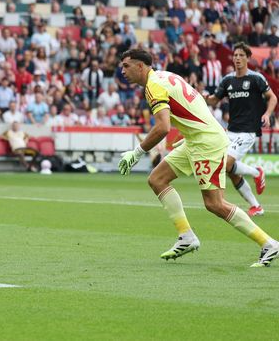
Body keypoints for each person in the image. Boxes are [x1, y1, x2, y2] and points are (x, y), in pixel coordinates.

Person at [117, 49, 278, 267]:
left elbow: (163, 127)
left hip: (206, 144)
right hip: (196, 139)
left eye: (126, 66)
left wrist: (136, 153)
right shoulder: (166, 76)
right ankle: (186, 236)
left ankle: (269, 244)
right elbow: (196, 101)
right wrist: (189, 132)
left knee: (215, 204)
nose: (122, 71)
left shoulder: (153, 86)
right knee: (157, 179)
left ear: (140, 66)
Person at [206, 43, 277, 217]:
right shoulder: (227, 80)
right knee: (230, 172)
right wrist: (202, 97)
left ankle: (256, 172)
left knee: (226, 164)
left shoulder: (256, 78)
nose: (237, 58)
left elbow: (272, 97)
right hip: (231, 130)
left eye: (240, 55)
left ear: (247, 58)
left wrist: (267, 114)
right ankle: (256, 206)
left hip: (248, 130)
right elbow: (214, 100)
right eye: (235, 55)